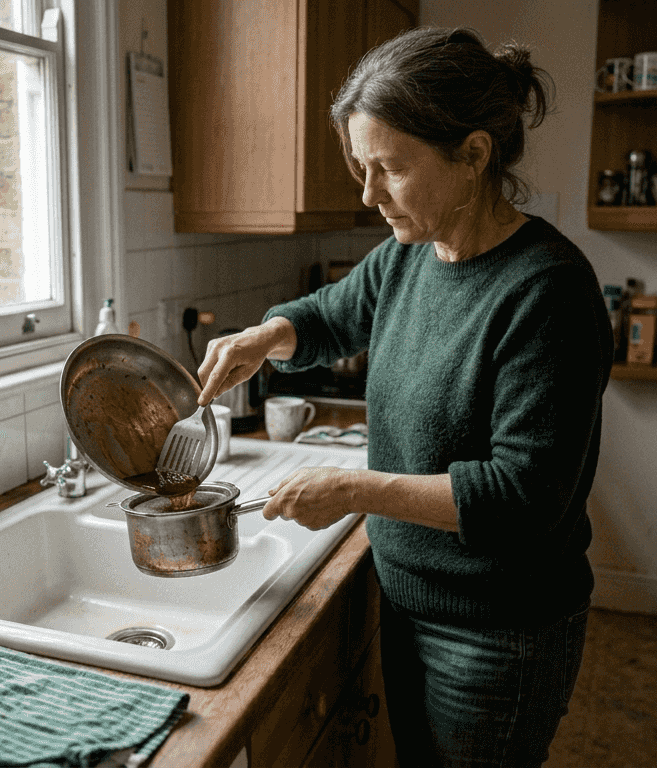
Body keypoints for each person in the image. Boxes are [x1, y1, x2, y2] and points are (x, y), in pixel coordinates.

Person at [194, 27, 614, 768]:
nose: (367, 193)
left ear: (474, 156)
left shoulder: (548, 292)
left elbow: (521, 496)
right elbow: (329, 317)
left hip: (498, 634)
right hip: (408, 600)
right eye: (362, 167)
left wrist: (355, 488)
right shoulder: (407, 255)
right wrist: (266, 336)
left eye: (390, 168)